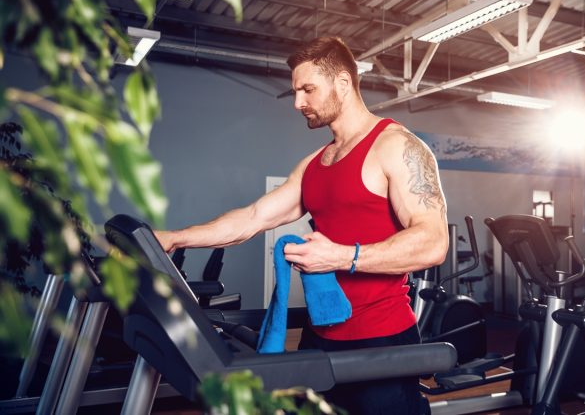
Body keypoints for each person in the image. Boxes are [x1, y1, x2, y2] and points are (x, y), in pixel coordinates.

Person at [155, 36, 449, 415]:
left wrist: (341, 257)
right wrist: (176, 238)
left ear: (343, 83)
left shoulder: (396, 146)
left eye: (308, 89)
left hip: (382, 341)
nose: (298, 103)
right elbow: (253, 218)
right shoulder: (314, 164)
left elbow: (433, 241)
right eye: (295, 91)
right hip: (319, 337)